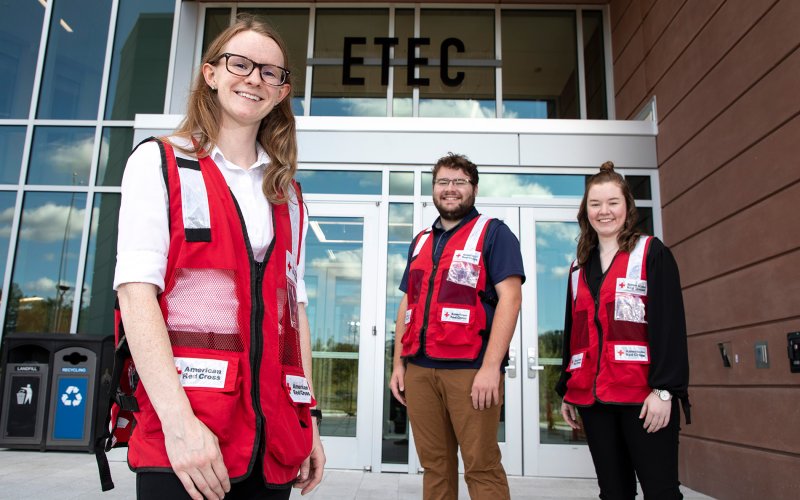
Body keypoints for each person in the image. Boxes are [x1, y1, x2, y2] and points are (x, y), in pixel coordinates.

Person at [112, 16, 325, 500]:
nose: (255, 78)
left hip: (272, 442)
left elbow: (293, 316)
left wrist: (306, 415)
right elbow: (135, 294)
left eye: (271, 72)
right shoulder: (159, 162)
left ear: (281, 91)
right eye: (241, 64)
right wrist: (179, 423)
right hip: (188, 441)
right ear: (210, 73)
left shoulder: (287, 193)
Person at [390, 153, 524, 500]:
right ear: (433, 190)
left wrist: (491, 367)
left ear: (474, 188)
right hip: (419, 369)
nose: (450, 189)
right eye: (442, 182)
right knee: (435, 466)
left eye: (459, 182)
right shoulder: (420, 240)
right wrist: (398, 364)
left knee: (481, 466)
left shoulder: (494, 233)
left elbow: (510, 300)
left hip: (471, 370)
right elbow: (408, 304)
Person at [555, 161, 690, 499]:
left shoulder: (651, 253)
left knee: (661, 491)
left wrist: (665, 391)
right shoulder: (578, 268)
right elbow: (575, 336)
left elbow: (670, 326)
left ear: (628, 207)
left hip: (643, 398)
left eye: (613, 202)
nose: (604, 212)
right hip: (594, 399)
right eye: (595, 204)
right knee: (613, 492)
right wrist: (567, 389)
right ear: (585, 211)